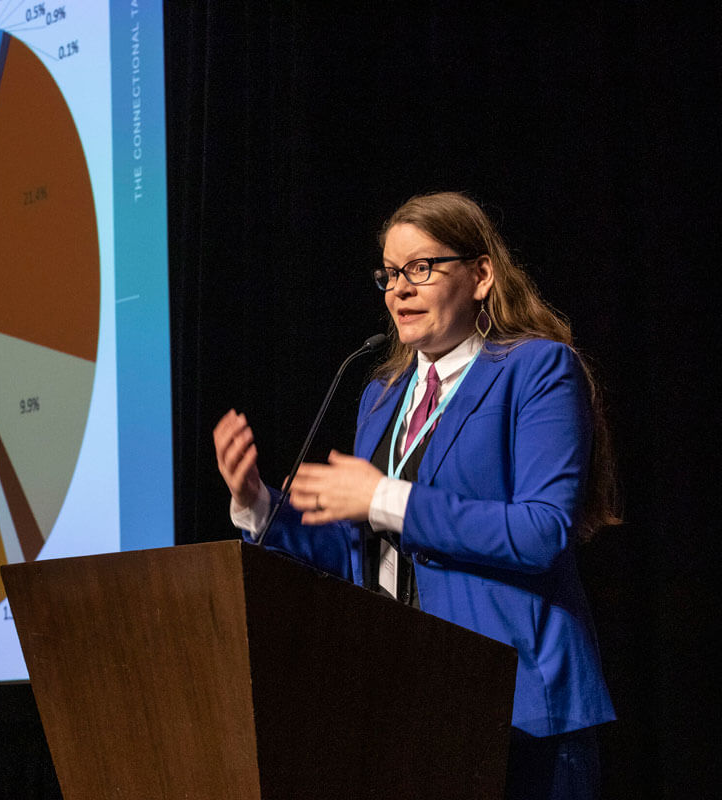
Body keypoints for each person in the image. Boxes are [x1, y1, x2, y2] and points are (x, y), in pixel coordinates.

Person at [213, 191, 617, 800]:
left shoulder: (537, 370)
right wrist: (259, 505)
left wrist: (384, 498)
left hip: (518, 709)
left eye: (420, 268)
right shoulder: (381, 395)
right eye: (389, 274)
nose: (399, 289)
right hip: (402, 706)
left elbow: (542, 531)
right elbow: (360, 554)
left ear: (481, 275)